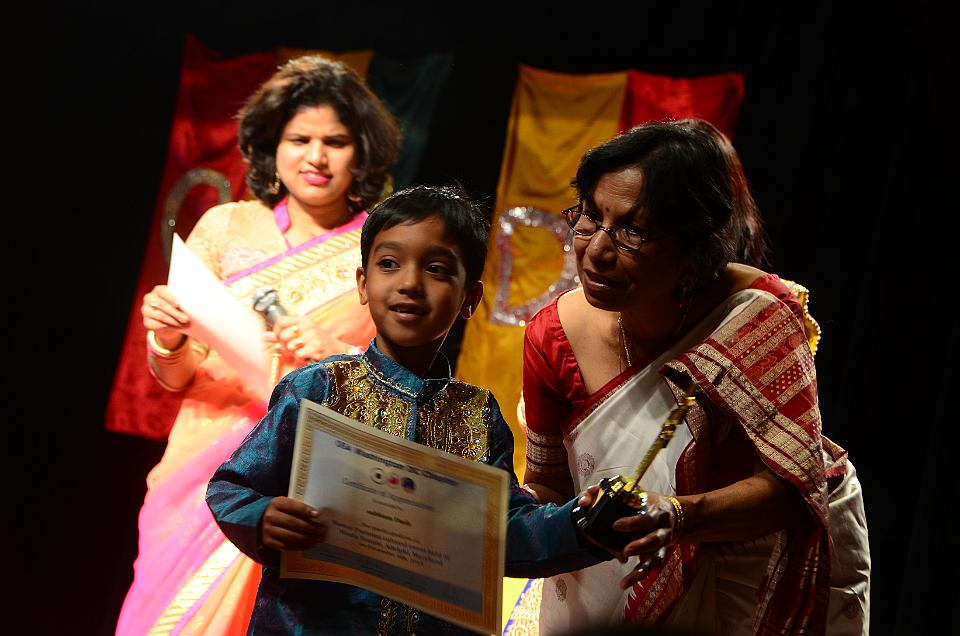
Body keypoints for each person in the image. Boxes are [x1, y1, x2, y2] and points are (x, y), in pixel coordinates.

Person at [205, 185, 610, 635]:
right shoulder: (318, 388)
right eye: (389, 264)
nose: (410, 283)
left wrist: (585, 526)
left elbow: (501, 536)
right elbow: (232, 487)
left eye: (436, 269)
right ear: (363, 284)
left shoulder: (477, 416)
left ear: (470, 298)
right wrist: (262, 517)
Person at [521, 120, 870, 635]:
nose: (595, 250)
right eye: (591, 216)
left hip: (753, 577)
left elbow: (792, 486)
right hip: (609, 574)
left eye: (633, 231)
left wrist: (677, 516)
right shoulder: (552, 337)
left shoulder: (754, 319)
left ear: (693, 251)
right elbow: (548, 485)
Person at [116, 55, 401, 636]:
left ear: (362, 153)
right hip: (201, 472)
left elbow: (405, 396)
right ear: (274, 146)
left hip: (308, 480)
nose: (316, 157)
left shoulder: (385, 251)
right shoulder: (225, 227)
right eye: (299, 139)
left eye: (335, 142)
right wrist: (168, 338)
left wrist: (337, 357)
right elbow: (177, 377)